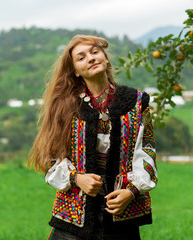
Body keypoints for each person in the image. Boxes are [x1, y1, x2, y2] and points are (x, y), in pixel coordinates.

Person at [28, 35, 158, 240]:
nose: (90, 58)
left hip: (120, 212)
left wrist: (131, 191)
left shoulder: (136, 102)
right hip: (74, 213)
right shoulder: (64, 107)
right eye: (81, 58)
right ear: (76, 72)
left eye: (95, 52)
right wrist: (76, 178)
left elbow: (147, 151)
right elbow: (49, 157)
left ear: (106, 59)